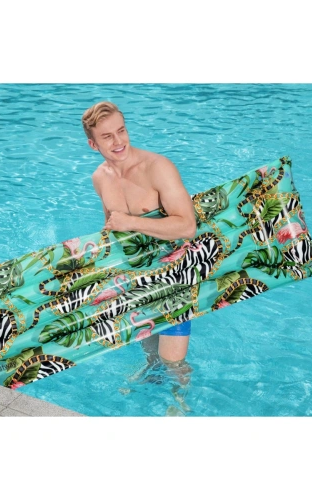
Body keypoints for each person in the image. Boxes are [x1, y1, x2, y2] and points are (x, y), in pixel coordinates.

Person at [81, 101, 197, 365]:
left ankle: (181, 393)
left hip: (174, 278)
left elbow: (187, 226)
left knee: (173, 364)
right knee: (152, 358)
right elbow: (113, 228)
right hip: (137, 281)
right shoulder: (100, 178)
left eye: (121, 131)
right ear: (93, 144)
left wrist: (131, 222)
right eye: (107, 137)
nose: (118, 141)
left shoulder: (157, 167)